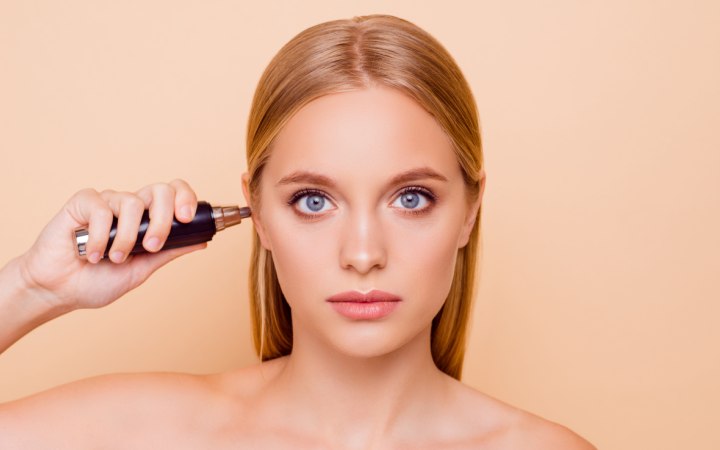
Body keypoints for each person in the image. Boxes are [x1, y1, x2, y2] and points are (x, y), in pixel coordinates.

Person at [0, 14, 595, 449]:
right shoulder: (148, 429)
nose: (363, 254)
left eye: (411, 198)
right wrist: (32, 287)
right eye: (314, 200)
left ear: (469, 211)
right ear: (257, 212)